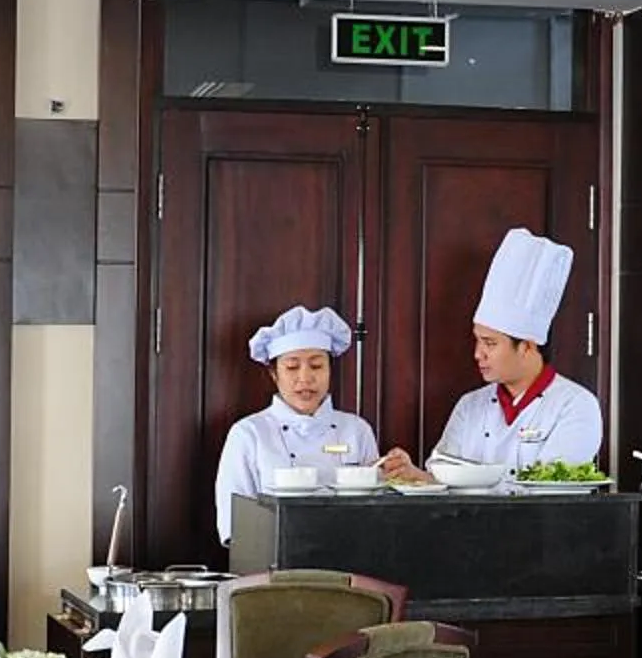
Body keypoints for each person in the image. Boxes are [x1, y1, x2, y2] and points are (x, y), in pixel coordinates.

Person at [379, 227, 602, 478]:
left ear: (527, 346)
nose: (478, 354)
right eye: (477, 341)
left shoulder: (575, 406)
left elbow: (551, 493)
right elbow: (442, 482)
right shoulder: (470, 406)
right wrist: (414, 474)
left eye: (490, 343)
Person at [213, 305, 379, 540]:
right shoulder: (248, 433)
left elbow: (376, 511)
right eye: (292, 366)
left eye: (316, 365)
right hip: (275, 563)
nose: (305, 378)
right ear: (274, 374)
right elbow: (235, 525)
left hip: (351, 560)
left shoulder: (357, 430)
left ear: (330, 370)